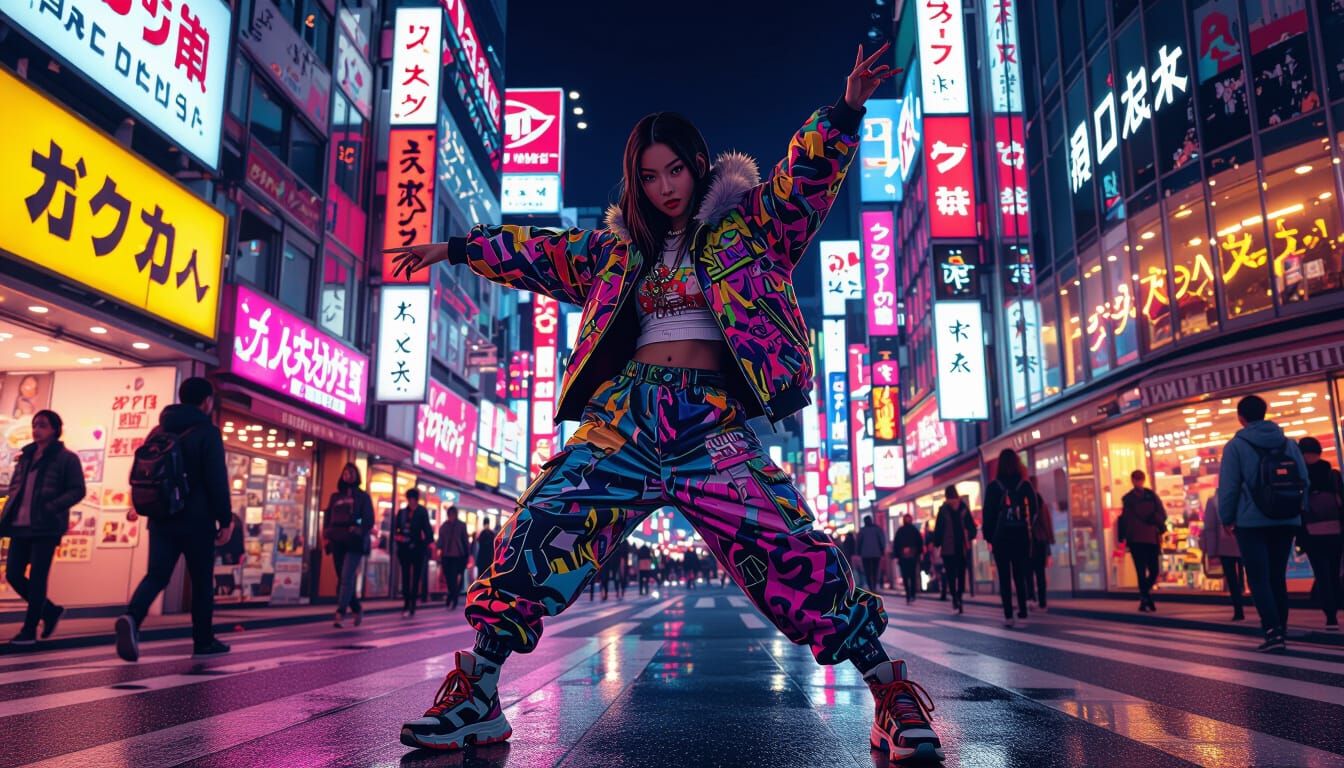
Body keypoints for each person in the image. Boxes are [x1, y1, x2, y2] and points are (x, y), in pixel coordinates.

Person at [388, 45, 939, 762]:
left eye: (675, 170)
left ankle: (889, 691)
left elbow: (803, 181)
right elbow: (542, 251)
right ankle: (478, 693)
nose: (664, 187)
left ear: (699, 164)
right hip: (625, 420)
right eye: (648, 177)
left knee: (790, 545)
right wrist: (459, 249)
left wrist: (845, 111)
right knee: (542, 522)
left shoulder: (752, 227)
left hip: (710, 425)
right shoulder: (616, 253)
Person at [116, 378, 233, 661]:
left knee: (157, 575)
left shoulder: (159, 430)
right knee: (201, 581)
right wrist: (225, 518)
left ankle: (132, 617)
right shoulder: (207, 432)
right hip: (197, 520)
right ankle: (203, 641)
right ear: (206, 401)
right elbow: (216, 478)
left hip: (161, 516)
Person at [1217, 395, 1308, 652]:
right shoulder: (1288, 443)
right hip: (1286, 518)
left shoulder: (1235, 446)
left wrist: (1227, 518)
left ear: (1241, 418)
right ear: (1264, 413)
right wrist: (1300, 510)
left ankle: (1272, 632)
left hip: (1251, 522)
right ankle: (1281, 629)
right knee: (1277, 575)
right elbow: (1304, 480)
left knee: (1258, 577)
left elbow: (1229, 487)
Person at [0, 410, 83, 647]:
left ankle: (29, 630)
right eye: (35, 425)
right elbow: (15, 489)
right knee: (13, 574)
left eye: (43, 425)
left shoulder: (67, 458)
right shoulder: (25, 456)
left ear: (55, 429)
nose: (37, 430)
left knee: (37, 577)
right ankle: (50, 611)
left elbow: (78, 490)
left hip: (46, 526)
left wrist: (52, 507)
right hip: (19, 525)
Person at [983, 449, 1037, 628]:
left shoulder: (993, 487)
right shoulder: (1024, 485)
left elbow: (988, 514)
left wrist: (989, 537)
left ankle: (1008, 614)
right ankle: (1022, 610)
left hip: (1001, 537)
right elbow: (1035, 509)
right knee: (1019, 574)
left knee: (1004, 576)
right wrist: (1028, 526)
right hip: (1020, 535)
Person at [1298, 437, 1342, 630]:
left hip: (1312, 532)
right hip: (1335, 530)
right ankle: (1336, 608)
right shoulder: (1333, 474)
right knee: (1333, 572)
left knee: (1322, 574)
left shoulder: (1301, 476)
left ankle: (1330, 616)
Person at [324, 463, 374, 628]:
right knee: (342, 578)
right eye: (345, 473)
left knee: (346, 577)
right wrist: (326, 536)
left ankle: (340, 612)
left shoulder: (363, 497)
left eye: (351, 473)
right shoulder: (335, 497)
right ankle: (357, 608)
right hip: (337, 539)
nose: (348, 475)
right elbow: (327, 518)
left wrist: (358, 529)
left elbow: (369, 519)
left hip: (354, 541)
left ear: (357, 475)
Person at [1119, 470, 1167, 612]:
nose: (1138, 482)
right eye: (1137, 479)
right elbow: (1162, 514)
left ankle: (1144, 596)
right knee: (1148, 570)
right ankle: (1145, 597)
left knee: (1149, 571)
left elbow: (1125, 520)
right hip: (1143, 539)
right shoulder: (1145, 497)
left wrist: (1123, 537)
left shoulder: (1136, 498)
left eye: (1139, 479)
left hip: (1142, 539)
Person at [1199, 495, 1245, 621]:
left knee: (1232, 579)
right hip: (1243, 542)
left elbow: (1210, 528)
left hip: (1225, 545)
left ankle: (1238, 610)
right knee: (1251, 577)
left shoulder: (1214, 500)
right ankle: (1261, 610)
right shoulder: (1243, 496)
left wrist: (1212, 551)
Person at [933, 486, 974, 614]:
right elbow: (971, 526)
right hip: (962, 547)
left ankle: (955, 599)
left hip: (948, 547)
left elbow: (939, 528)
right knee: (961, 574)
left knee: (950, 575)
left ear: (946, 495)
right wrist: (969, 536)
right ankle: (959, 596)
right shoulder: (963, 507)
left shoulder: (943, 509)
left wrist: (937, 543)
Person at [395, 489, 434, 618]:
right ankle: (406, 603)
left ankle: (412, 603)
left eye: (413, 499)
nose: (411, 501)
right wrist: (398, 538)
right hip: (404, 548)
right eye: (410, 499)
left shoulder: (422, 511)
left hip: (418, 548)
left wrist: (428, 543)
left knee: (416, 577)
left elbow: (427, 529)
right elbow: (396, 529)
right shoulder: (402, 512)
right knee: (405, 576)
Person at [1027, 476, 1055, 610]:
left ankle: (1032, 598)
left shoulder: (1026, 502)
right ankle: (1042, 601)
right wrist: (1048, 549)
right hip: (1040, 541)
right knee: (1040, 573)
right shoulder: (1042, 502)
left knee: (1028, 573)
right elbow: (1047, 525)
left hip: (1029, 542)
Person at [438, 505, 471, 610]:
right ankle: (452, 595)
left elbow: (465, 540)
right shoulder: (444, 526)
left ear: (456, 515)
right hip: (446, 556)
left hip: (457, 556)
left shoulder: (461, 525)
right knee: (448, 579)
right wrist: (438, 550)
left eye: (453, 514)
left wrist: (467, 554)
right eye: (450, 515)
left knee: (453, 578)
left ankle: (453, 598)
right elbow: (440, 541)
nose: (451, 516)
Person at [893, 514, 923, 605]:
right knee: (912, 576)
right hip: (912, 556)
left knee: (906, 576)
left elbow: (896, 544)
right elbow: (919, 543)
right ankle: (912, 594)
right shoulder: (914, 530)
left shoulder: (901, 531)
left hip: (904, 557)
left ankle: (909, 594)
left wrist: (897, 555)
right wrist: (918, 553)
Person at [858, 514, 886, 594]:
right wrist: (882, 550)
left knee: (868, 572)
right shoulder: (877, 529)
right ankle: (874, 586)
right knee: (875, 571)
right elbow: (882, 541)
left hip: (865, 554)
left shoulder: (862, 530)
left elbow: (859, 542)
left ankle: (871, 587)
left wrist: (858, 552)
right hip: (876, 554)